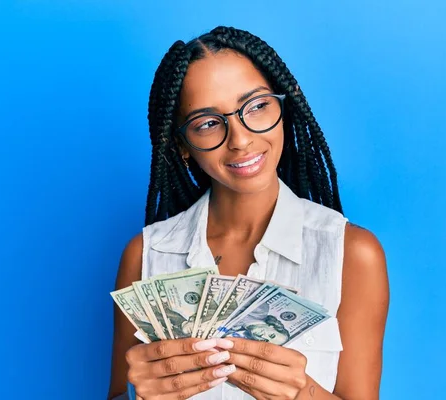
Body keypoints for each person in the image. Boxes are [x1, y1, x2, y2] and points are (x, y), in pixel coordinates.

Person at [108, 26, 389, 400]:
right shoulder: (146, 255)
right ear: (182, 146)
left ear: (283, 107)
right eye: (208, 123)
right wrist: (138, 394)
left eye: (256, 106)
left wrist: (300, 391)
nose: (240, 140)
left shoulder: (352, 254)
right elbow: (118, 393)